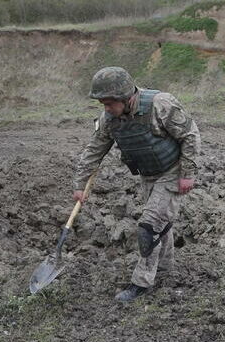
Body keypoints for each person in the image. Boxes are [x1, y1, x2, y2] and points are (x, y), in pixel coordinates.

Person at [72, 67, 201, 302]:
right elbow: (94, 150)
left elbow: (190, 134)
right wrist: (81, 184)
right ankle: (164, 271)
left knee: (149, 226)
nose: (107, 109)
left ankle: (141, 283)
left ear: (125, 96)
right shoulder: (109, 120)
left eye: (110, 103)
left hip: (172, 171)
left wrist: (188, 173)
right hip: (148, 175)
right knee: (161, 224)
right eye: (103, 104)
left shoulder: (160, 104)